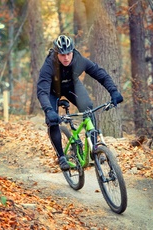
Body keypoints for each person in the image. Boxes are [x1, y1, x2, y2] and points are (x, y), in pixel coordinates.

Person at [37, 35, 123, 171]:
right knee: (52, 121)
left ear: (73, 51)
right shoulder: (49, 65)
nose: (66, 58)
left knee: (88, 108)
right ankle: (61, 157)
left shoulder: (79, 60)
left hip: (72, 87)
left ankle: (94, 149)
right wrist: (49, 110)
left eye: (69, 53)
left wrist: (114, 92)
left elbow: (100, 74)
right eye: (62, 54)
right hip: (52, 91)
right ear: (56, 53)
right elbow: (42, 91)